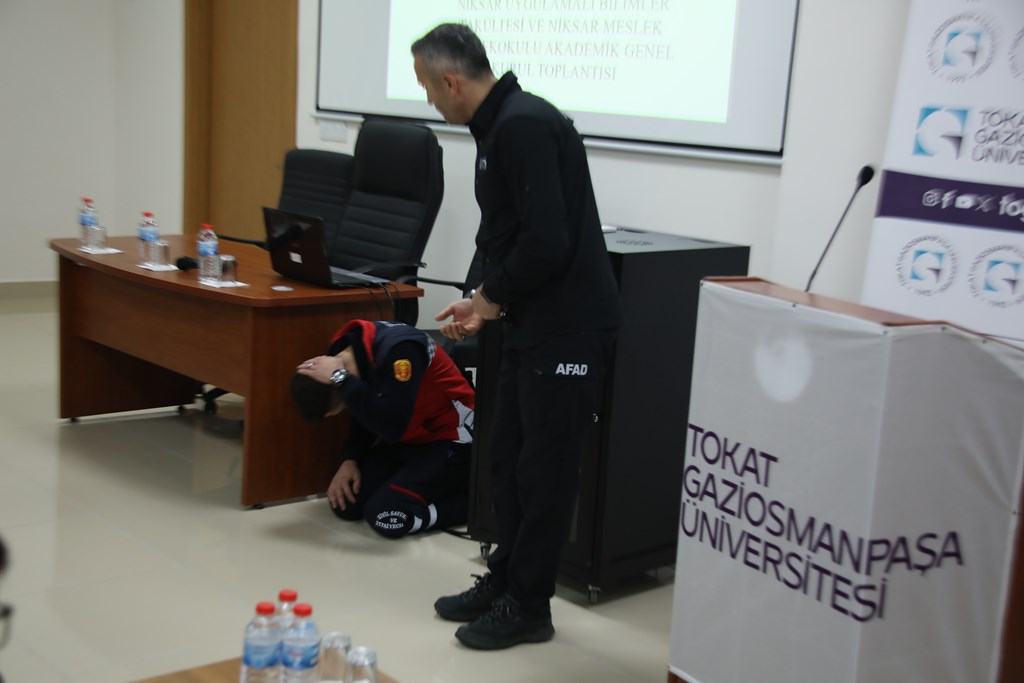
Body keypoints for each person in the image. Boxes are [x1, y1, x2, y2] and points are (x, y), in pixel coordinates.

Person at [411, 24, 622, 650]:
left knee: (544, 473)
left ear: (451, 81)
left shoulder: (523, 124)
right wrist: (483, 299)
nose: (429, 100)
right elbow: (508, 234)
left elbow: (547, 241)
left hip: (568, 328)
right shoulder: (498, 127)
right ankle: (505, 579)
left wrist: (490, 298)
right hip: (529, 323)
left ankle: (530, 606)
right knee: (506, 461)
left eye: (427, 87)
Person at [292, 319, 475, 538]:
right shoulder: (341, 355)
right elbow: (363, 407)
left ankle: (477, 502)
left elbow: (393, 425)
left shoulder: (402, 352)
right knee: (346, 504)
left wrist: (343, 380)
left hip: (453, 438)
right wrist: (351, 459)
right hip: (412, 438)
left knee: (386, 516)